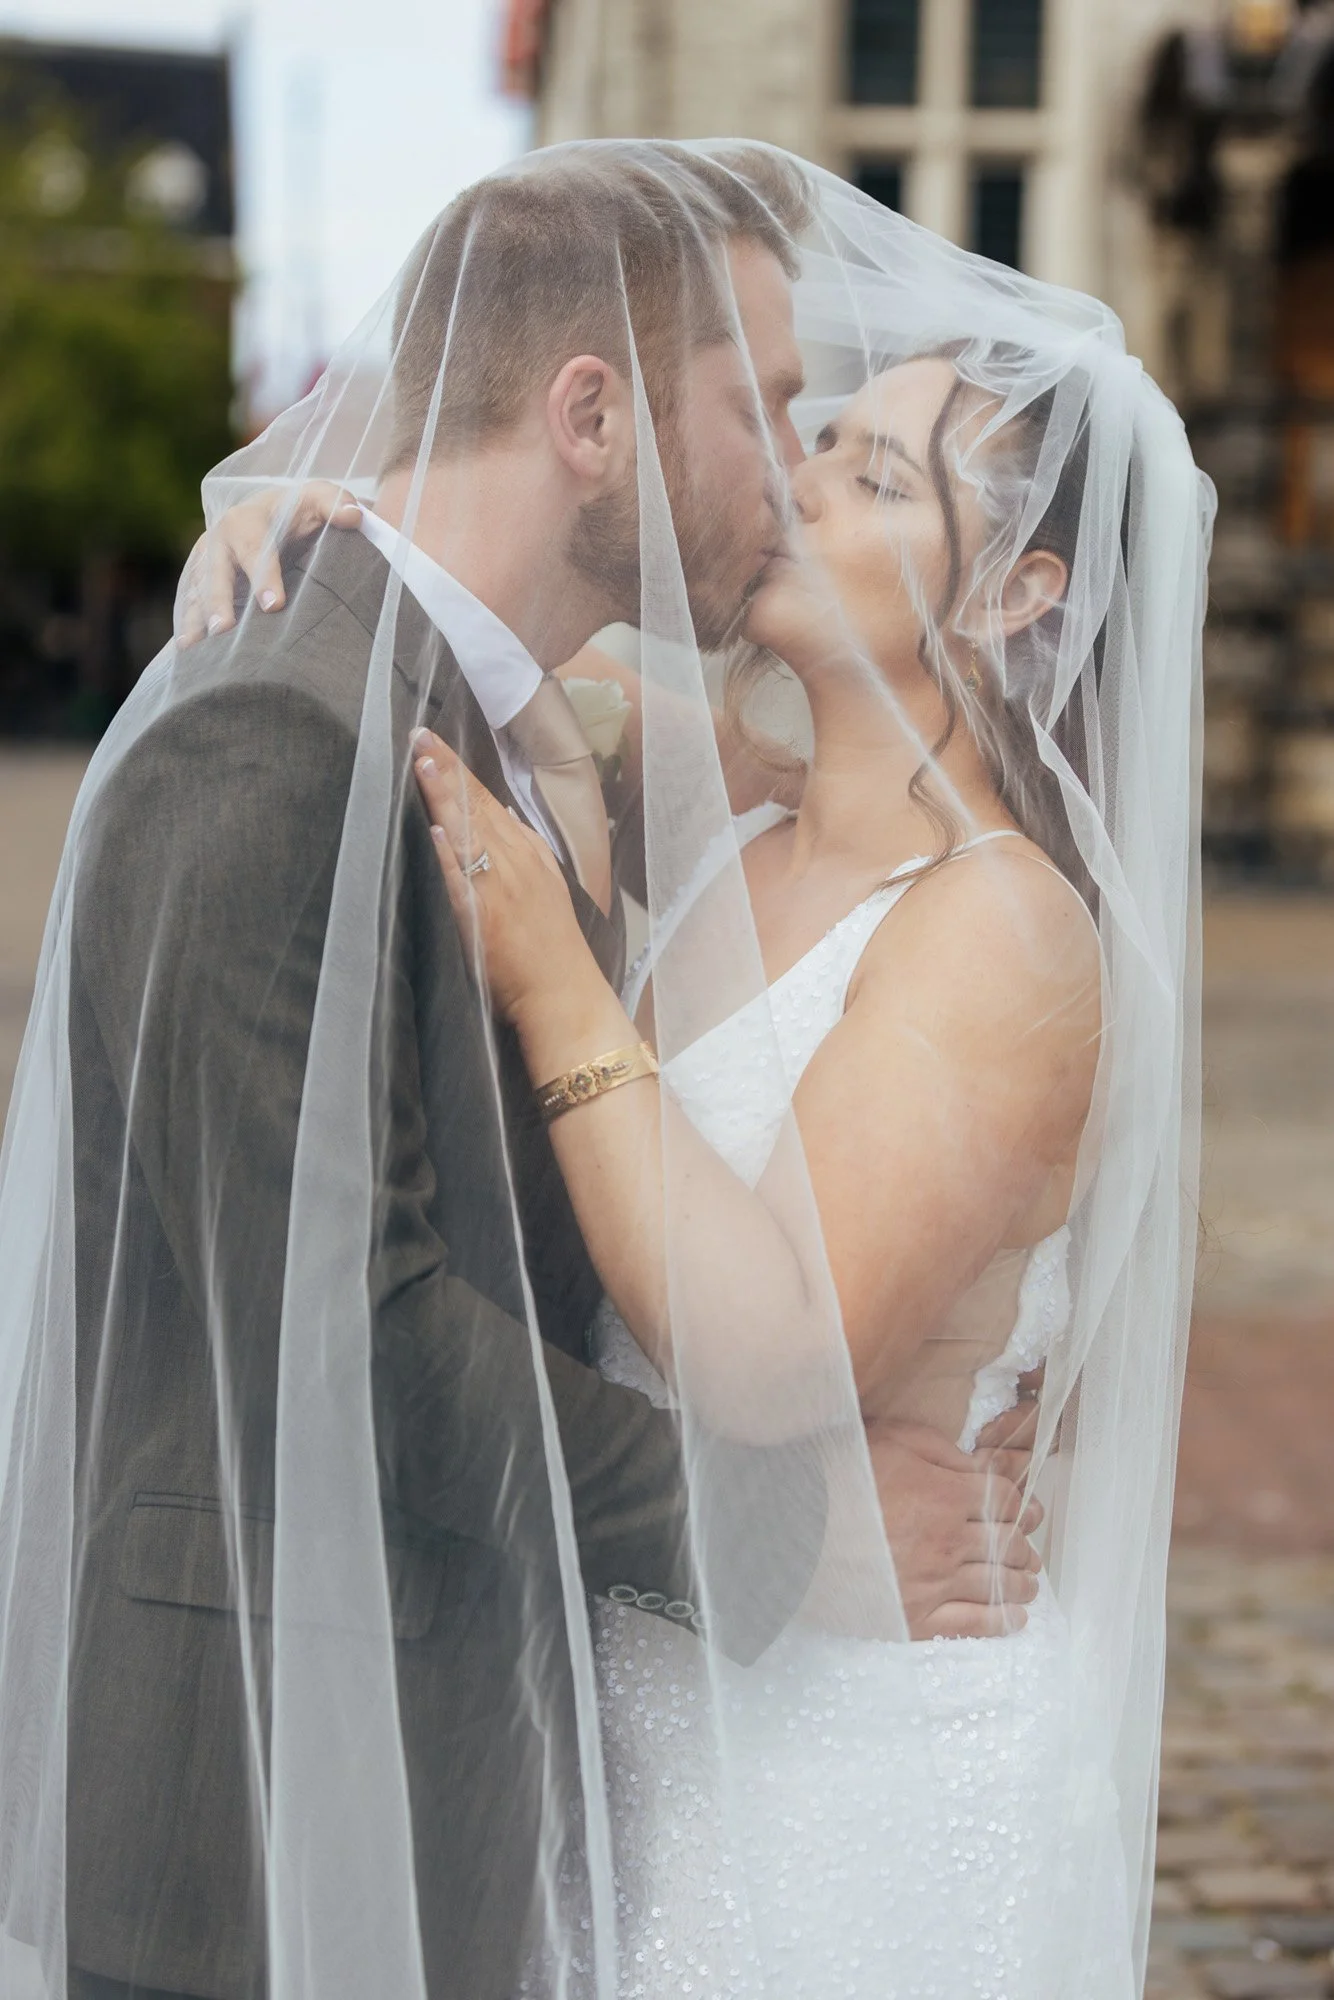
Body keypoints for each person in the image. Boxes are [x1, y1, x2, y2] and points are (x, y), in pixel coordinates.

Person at [0, 145, 1043, 2000]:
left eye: (833, 434)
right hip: (250, 1811)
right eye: (765, 407)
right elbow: (332, 1325)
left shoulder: (522, 734)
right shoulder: (272, 733)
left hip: (476, 1764)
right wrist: (772, 1540)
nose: (787, 466)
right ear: (590, 419)